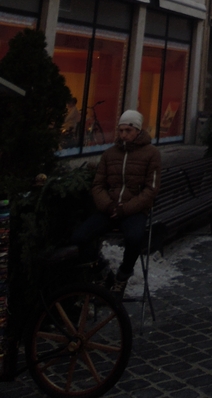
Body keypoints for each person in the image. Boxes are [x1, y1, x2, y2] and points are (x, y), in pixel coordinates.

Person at [71, 109, 161, 296]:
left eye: (128, 130)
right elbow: (98, 185)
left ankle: (122, 276)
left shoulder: (151, 154)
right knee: (79, 238)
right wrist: (109, 205)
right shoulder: (110, 154)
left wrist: (126, 208)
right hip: (109, 209)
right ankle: (102, 271)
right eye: (121, 130)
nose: (123, 135)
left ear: (138, 130)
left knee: (134, 238)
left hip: (134, 210)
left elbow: (151, 189)